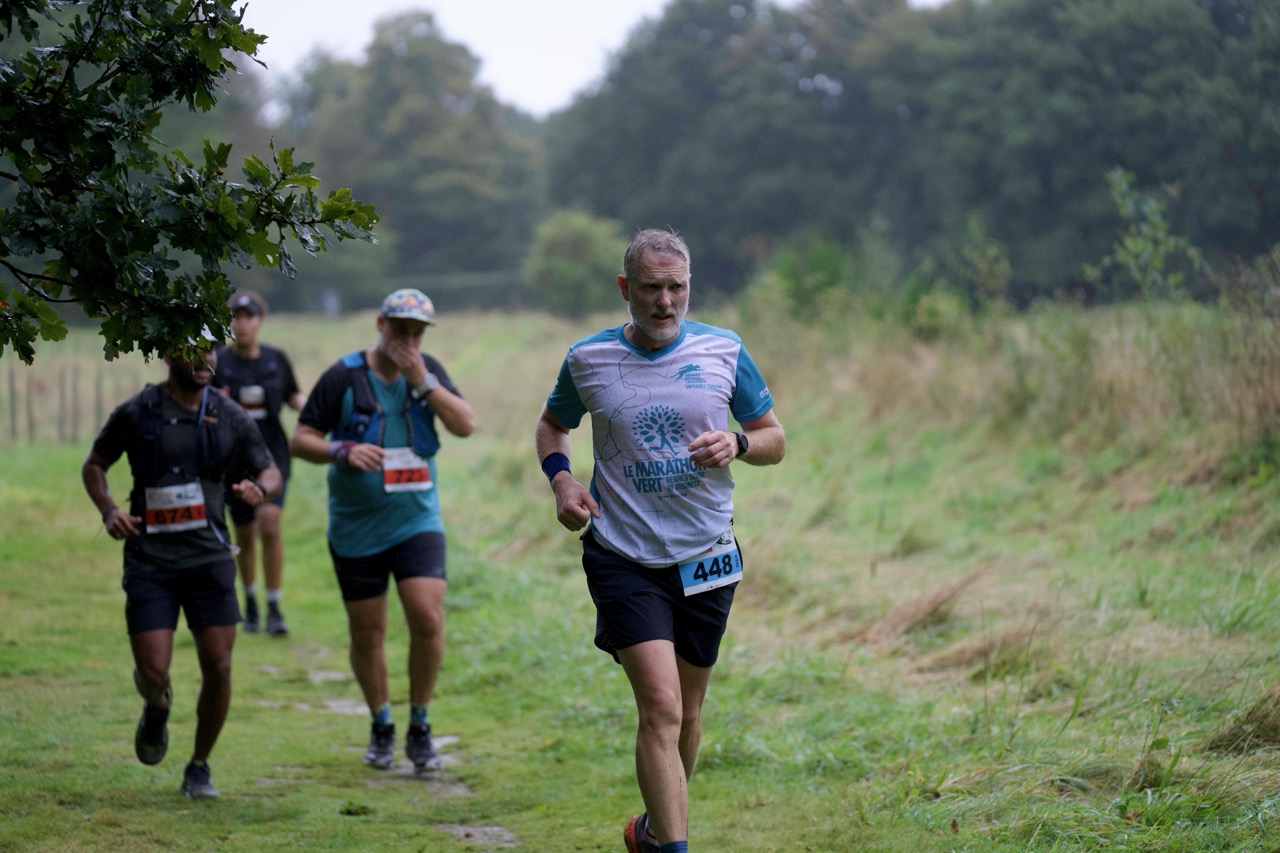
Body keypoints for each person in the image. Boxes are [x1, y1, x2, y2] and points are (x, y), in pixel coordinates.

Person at [534, 229, 785, 853]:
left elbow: (774, 437)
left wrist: (739, 443)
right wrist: (562, 482)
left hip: (707, 554)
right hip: (624, 555)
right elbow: (552, 425)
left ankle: (650, 831)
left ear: (689, 285)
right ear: (626, 288)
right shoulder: (588, 358)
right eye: (651, 288)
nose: (665, 302)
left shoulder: (724, 350)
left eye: (677, 287)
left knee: (688, 715)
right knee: (661, 707)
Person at [82, 340, 282, 799]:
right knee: (153, 670)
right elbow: (94, 465)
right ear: (168, 356)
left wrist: (261, 489)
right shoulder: (138, 411)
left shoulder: (229, 413)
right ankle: (157, 705)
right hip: (150, 560)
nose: (206, 359)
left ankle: (199, 766)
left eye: (211, 350)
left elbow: (270, 469)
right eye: (194, 350)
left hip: (209, 557)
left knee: (219, 665)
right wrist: (109, 510)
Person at [290, 288, 475, 773]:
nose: (408, 342)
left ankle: (420, 725)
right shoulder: (343, 375)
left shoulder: (427, 371)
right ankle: (381, 723)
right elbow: (301, 439)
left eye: (417, 333)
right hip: (356, 526)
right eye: (399, 330)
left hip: (417, 519)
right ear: (380, 324)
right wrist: (342, 450)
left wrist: (424, 383)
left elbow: (465, 424)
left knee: (427, 618)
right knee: (368, 632)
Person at [213, 290, 306, 636]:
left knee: (270, 525)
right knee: (245, 533)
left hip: (272, 453)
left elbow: (294, 396)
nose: (242, 324)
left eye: (249, 317)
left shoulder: (275, 359)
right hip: (234, 457)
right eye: (235, 317)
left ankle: (274, 606)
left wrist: (318, 410)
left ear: (260, 321)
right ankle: (250, 601)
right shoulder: (218, 360)